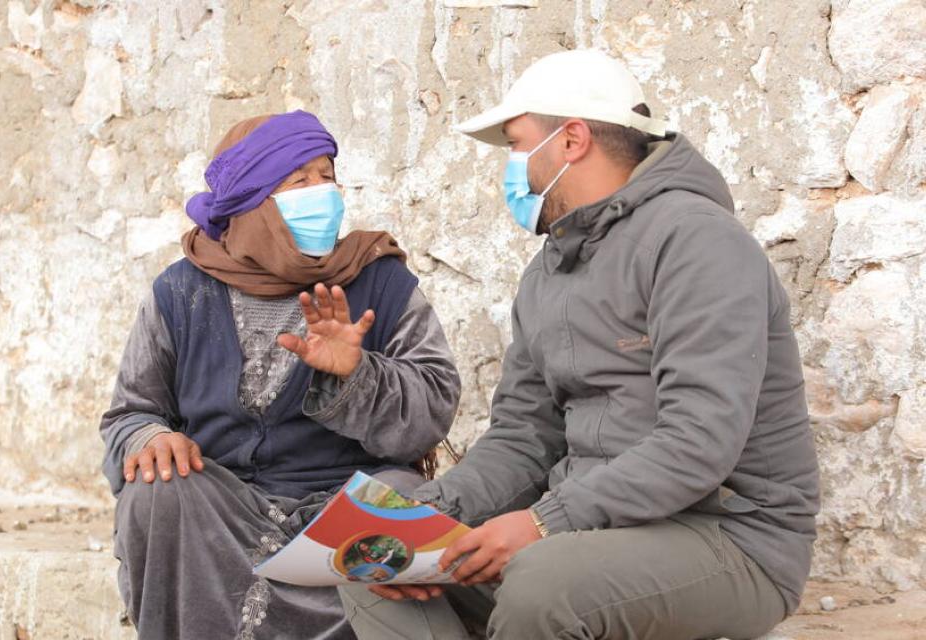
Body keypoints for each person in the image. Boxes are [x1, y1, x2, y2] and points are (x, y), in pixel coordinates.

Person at [339, 49, 820, 640]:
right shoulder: (547, 273)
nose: (513, 168)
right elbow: (523, 438)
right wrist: (434, 515)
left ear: (571, 140)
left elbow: (699, 441)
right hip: (583, 532)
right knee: (367, 557)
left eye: (518, 145)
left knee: (543, 583)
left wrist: (544, 522)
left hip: (731, 539)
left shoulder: (697, 242)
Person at [99, 111, 461, 640]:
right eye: (299, 181)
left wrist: (358, 374)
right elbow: (131, 412)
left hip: (347, 499)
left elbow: (433, 408)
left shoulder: (380, 277)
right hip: (222, 512)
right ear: (252, 202)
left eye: (327, 176)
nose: (323, 192)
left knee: (399, 512)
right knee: (155, 491)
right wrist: (150, 437)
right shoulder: (179, 291)